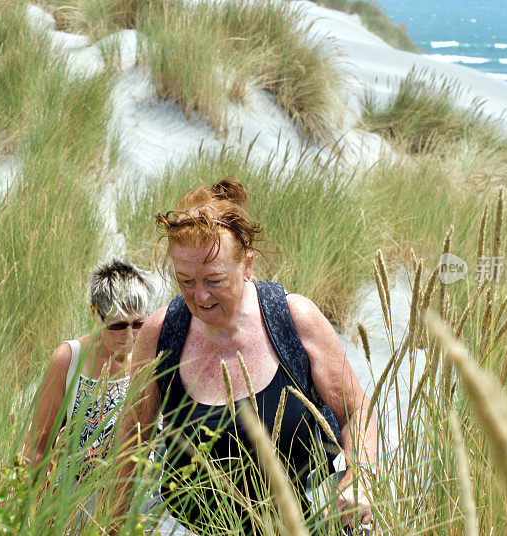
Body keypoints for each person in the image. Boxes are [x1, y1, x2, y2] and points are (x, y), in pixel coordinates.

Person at [115, 180, 377, 535]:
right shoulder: (162, 334)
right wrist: (111, 521)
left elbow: (356, 410)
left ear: (247, 265)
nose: (200, 296)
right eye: (185, 281)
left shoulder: (294, 320)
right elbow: (132, 439)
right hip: (190, 528)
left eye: (214, 280)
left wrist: (359, 477)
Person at [25, 258, 155, 533]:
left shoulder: (154, 359)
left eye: (139, 324)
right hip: (75, 504)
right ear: (95, 314)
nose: (131, 336)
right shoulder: (69, 360)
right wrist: (33, 513)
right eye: (118, 326)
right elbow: (37, 447)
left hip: (137, 502)